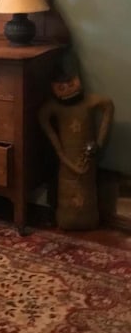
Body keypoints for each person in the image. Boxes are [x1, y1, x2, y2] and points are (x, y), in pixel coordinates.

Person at [38, 74, 114, 229]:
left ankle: (89, 220)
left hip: (86, 158)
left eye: (70, 83)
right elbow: (42, 115)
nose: (66, 88)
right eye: (60, 86)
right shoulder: (54, 107)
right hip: (67, 160)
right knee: (66, 188)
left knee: (87, 189)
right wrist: (61, 153)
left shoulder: (89, 102)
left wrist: (98, 144)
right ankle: (64, 219)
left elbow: (108, 104)